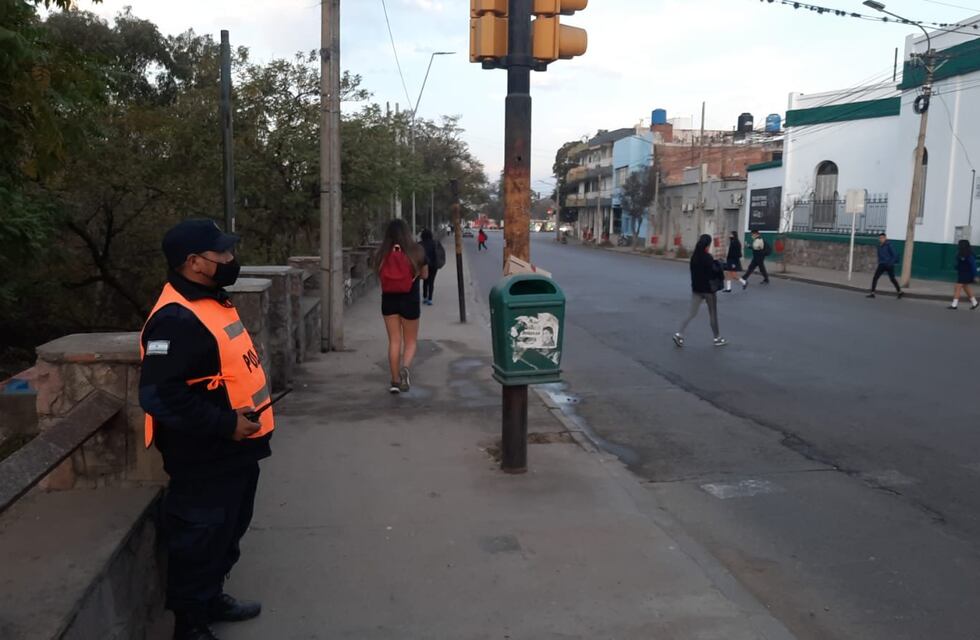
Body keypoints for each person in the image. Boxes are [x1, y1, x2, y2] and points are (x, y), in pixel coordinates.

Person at [139, 219, 271, 640]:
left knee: (227, 531)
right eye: (223, 254)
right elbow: (159, 395)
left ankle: (212, 596)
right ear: (195, 263)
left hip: (235, 451)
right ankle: (190, 624)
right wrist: (225, 423)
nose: (232, 260)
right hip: (203, 456)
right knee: (198, 538)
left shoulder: (211, 300)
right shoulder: (175, 319)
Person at [377, 219, 429, 393]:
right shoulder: (417, 251)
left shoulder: (381, 253)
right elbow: (425, 275)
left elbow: (378, 274)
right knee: (411, 341)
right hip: (410, 300)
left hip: (389, 301)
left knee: (394, 341)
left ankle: (394, 381)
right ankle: (405, 368)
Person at [673, 234, 728, 348]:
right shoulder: (708, 258)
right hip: (708, 290)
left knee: (691, 313)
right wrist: (720, 264)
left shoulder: (694, 257)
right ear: (707, 245)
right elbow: (714, 272)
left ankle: (679, 334)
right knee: (713, 314)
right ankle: (717, 338)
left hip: (696, 289)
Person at [866, 233, 903, 299]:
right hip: (881, 264)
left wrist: (890, 263)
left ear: (885, 238)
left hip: (889, 265)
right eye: (879, 238)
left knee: (892, 279)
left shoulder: (889, 245)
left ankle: (899, 292)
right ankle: (872, 293)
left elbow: (894, 255)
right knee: (875, 278)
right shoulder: (879, 246)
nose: (880, 239)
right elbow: (879, 255)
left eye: (882, 238)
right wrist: (880, 262)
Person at [949, 239, 978, 310]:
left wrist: (975, 276)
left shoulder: (969, 255)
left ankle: (954, 305)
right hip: (962, 273)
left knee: (958, 286)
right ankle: (975, 302)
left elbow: (973, 266)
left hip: (968, 273)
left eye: (960, 244)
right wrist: (956, 267)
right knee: (965, 287)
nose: (958, 245)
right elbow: (958, 263)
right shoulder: (959, 253)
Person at [418, 228, 444, 306]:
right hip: (433, 265)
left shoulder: (420, 244)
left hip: (423, 265)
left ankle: (425, 297)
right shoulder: (435, 243)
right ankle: (430, 299)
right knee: (431, 281)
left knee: (425, 281)